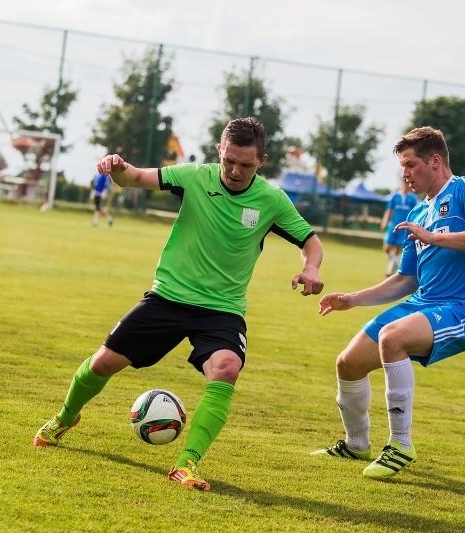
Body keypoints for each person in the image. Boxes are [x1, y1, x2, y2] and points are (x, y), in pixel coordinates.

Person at [34, 118, 325, 491]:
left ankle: (186, 464)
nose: (235, 171)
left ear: (262, 161)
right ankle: (65, 416)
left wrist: (311, 268)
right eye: (229, 161)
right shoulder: (194, 177)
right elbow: (135, 178)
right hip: (168, 297)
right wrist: (118, 169)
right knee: (104, 362)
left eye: (246, 165)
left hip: (222, 308)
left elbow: (309, 240)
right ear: (219, 151)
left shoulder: (272, 201)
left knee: (226, 368)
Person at [311, 126, 465, 479]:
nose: (405, 174)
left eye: (411, 164)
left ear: (435, 160)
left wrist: (434, 238)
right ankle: (356, 444)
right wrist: (353, 299)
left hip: (461, 309)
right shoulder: (417, 214)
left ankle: (400, 444)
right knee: (348, 364)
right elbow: (405, 280)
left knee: (392, 338)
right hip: (421, 302)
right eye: (402, 166)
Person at [380, 178, 418, 276]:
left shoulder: (413, 198)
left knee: (397, 248)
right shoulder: (395, 196)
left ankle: (390, 270)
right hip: (393, 225)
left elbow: (415, 213)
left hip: (404, 227)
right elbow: (389, 210)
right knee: (387, 247)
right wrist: (385, 222)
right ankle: (395, 262)